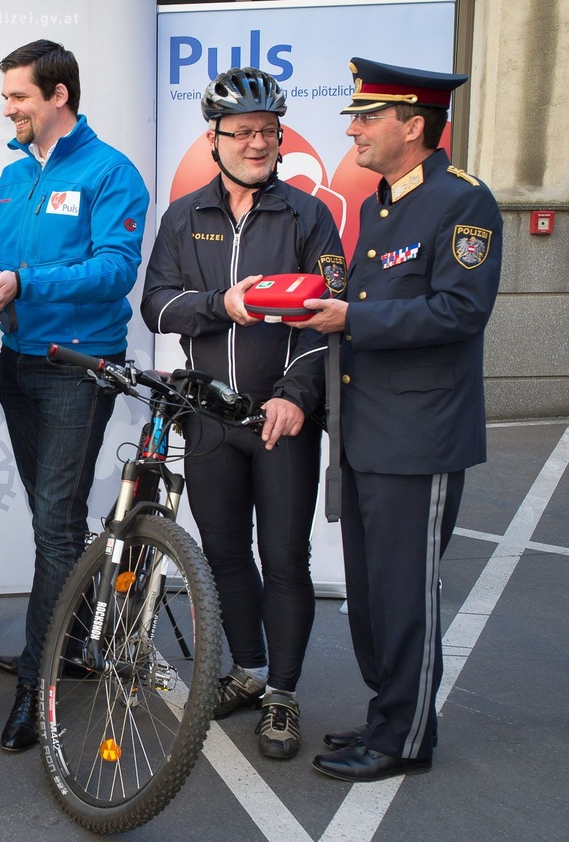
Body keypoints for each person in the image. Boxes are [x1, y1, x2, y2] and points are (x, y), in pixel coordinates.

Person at [292, 57, 502, 782]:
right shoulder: (382, 202)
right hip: (367, 430)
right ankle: (391, 714)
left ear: (414, 126)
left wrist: (356, 317)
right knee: (375, 593)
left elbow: (460, 309)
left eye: (368, 117)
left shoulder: (461, 202)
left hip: (419, 436)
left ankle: (405, 737)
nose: (353, 128)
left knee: (406, 594)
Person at [139, 68, 343, 760]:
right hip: (209, 420)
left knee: (284, 556)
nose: (257, 143)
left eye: (267, 131)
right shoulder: (185, 215)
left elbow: (323, 324)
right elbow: (156, 304)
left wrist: (295, 395)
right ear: (214, 138)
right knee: (224, 552)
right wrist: (220, 304)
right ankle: (250, 670)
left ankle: (283, 692)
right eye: (242, 132)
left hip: (282, 419)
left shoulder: (308, 216)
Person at [0, 40, 150, 752]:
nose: (7, 108)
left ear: (58, 96)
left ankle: (36, 684)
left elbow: (114, 271)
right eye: (7, 96)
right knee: (59, 515)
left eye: (17, 97)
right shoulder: (15, 175)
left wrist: (25, 282)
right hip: (18, 362)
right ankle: (69, 643)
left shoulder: (111, 172)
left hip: (79, 367)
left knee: (54, 524)